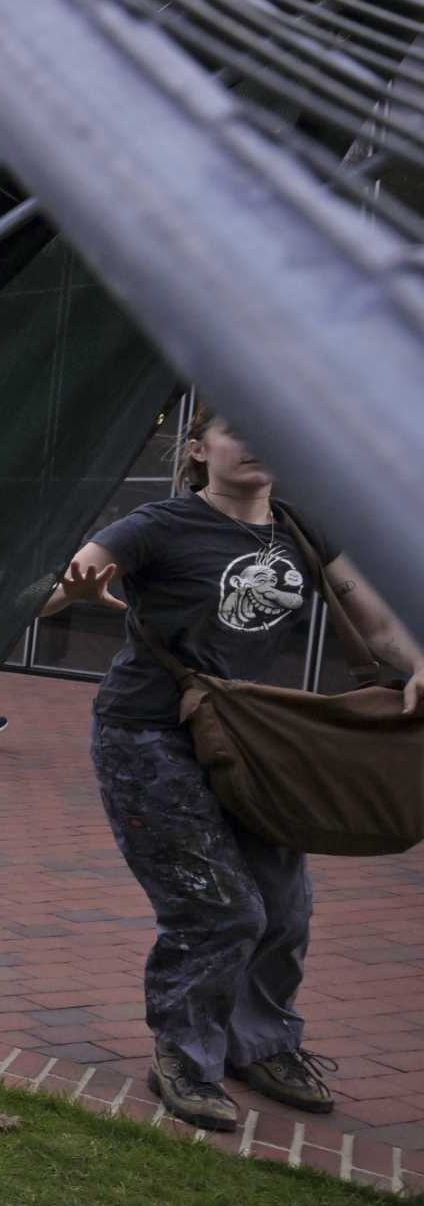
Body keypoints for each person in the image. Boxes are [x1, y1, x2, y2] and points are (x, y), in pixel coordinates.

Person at [43, 402, 423, 1133]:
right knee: (221, 909)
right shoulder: (160, 523)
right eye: (235, 429)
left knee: (285, 907)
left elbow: (376, 623)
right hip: (148, 736)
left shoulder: (302, 527)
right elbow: (68, 582)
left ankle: (264, 1044)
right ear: (199, 449)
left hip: (249, 736)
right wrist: (78, 591)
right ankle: (184, 1054)